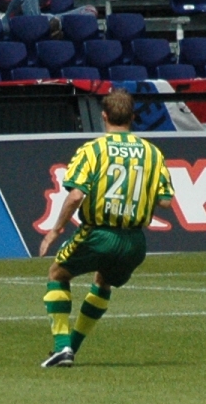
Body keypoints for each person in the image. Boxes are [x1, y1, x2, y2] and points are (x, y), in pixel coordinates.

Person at [38, 88, 175, 367]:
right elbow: (165, 202)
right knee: (103, 281)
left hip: (99, 233)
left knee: (58, 273)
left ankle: (63, 346)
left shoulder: (93, 150)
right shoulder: (152, 153)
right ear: (132, 117)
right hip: (135, 241)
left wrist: (55, 230)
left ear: (104, 116)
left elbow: (76, 195)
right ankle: (71, 348)